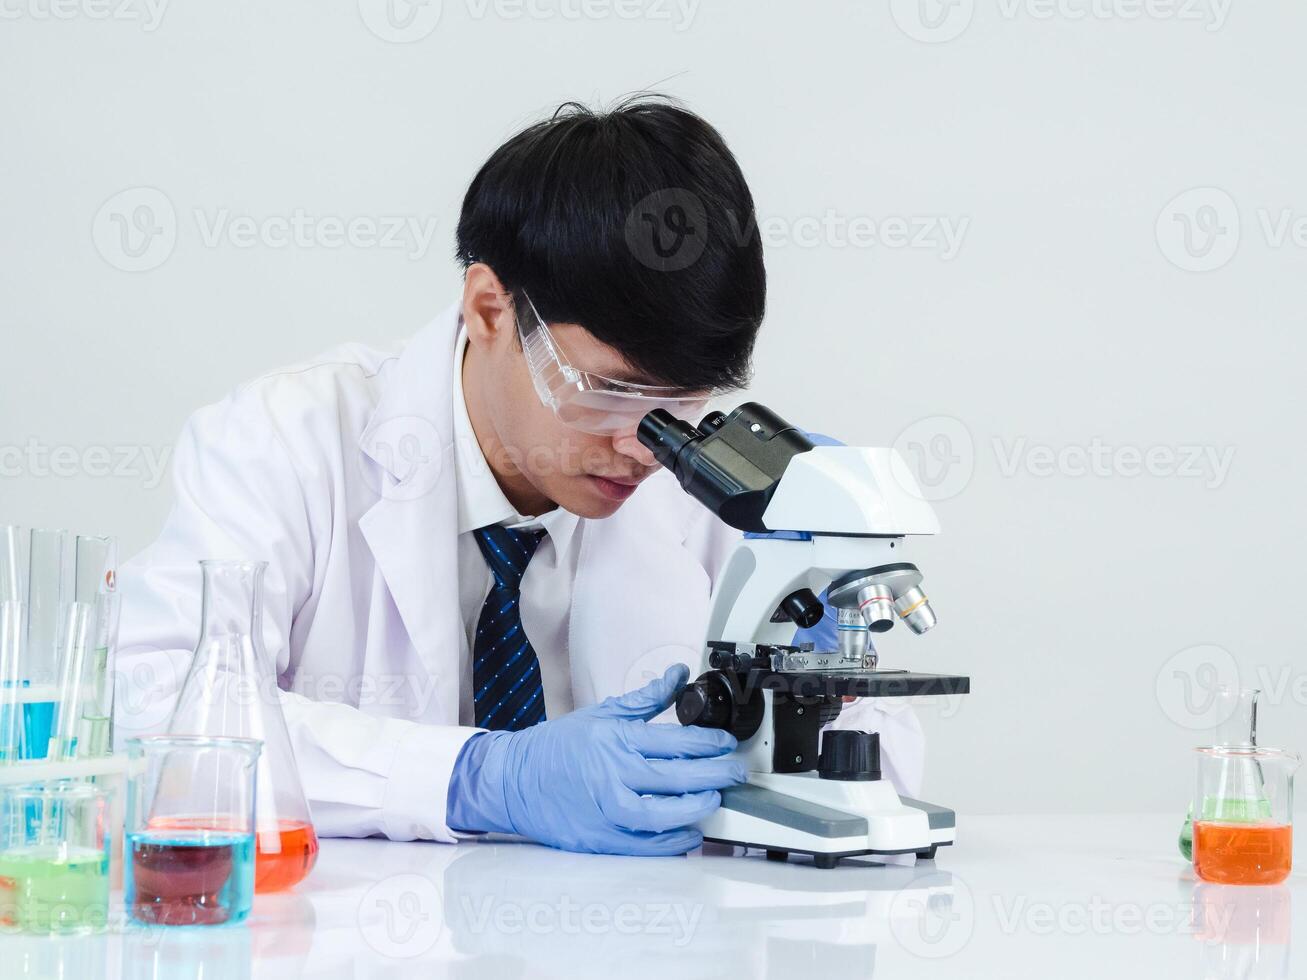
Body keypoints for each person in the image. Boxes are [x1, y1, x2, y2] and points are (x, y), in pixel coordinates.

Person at [115, 96, 923, 855]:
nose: (647, 447)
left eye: (682, 404)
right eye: (611, 391)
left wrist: (819, 692)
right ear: (489, 310)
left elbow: (881, 780)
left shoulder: (717, 488)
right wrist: (479, 779)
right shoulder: (282, 444)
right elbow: (152, 716)